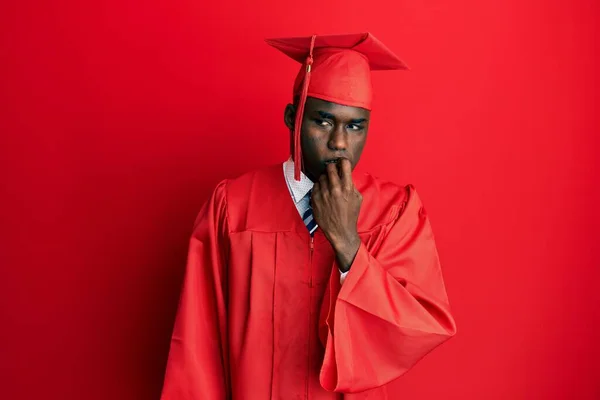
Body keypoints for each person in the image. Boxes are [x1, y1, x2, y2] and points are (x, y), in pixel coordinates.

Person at [160, 32, 457, 399]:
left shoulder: (395, 212)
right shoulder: (233, 206)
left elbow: (417, 327)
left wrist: (348, 243)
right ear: (292, 117)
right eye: (323, 121)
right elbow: (197, 346)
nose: (339, 143)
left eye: (354, 126)